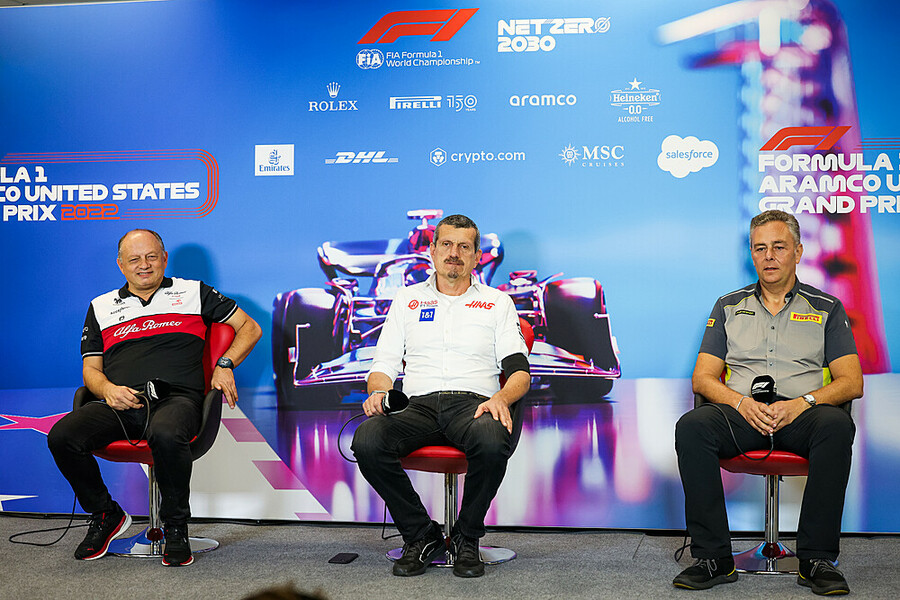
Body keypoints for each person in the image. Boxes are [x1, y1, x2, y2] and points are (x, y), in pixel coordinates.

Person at [673, 210, 863, 595]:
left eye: (779, 247)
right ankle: (714, 558)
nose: (769, 256)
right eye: (760, 248)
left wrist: (803, 403)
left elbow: (852, 382)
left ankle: (816, 560)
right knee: (691, 428)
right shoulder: (728, 306)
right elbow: (703, 379)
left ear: (798, 251)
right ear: (752, 254)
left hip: (800, 415)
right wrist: (740, 404)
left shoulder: (826, 307)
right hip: (743, 414)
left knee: (836, 425)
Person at [48, 229, 262, 566]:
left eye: (151, 257)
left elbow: (250, 328)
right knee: (62, 436)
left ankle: (175, 527)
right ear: (121, 265)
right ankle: (105, 514)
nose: (144, 265)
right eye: (134, 259)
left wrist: (224, 365)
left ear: (164, 258)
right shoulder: (101, 306)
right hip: (122, 402)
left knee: (165, 432)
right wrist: (107, 390)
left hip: (178, 399)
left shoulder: (193, 292)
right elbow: (91, 370)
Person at [351, 214, 530, 578]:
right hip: (417, 406)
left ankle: (467, 537)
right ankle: (421, 534)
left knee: (492, 439)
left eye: (464, 246)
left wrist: (501, 398)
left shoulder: (497, 302)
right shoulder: (407, 300)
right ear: (432, 251)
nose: (454, 253)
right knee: (367, 440)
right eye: (446, 244)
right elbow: (383, 364)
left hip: (474, 404)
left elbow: (519, 371)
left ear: (476, 255)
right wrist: (379, 392)